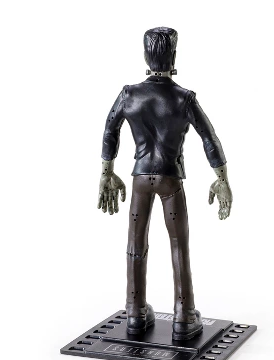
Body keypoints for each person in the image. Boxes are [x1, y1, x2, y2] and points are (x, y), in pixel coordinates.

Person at [97, 27, 232, 340]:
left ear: (146, 55)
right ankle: (184, 316)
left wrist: (107, 172)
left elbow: (110, 130)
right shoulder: (184, 98)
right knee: (178, 245)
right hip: (170, 178)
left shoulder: (129, 94)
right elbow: (209, 138)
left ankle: (134, 311)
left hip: (140, 178)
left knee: (135, 245)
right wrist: (221, 179)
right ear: (174, 55)